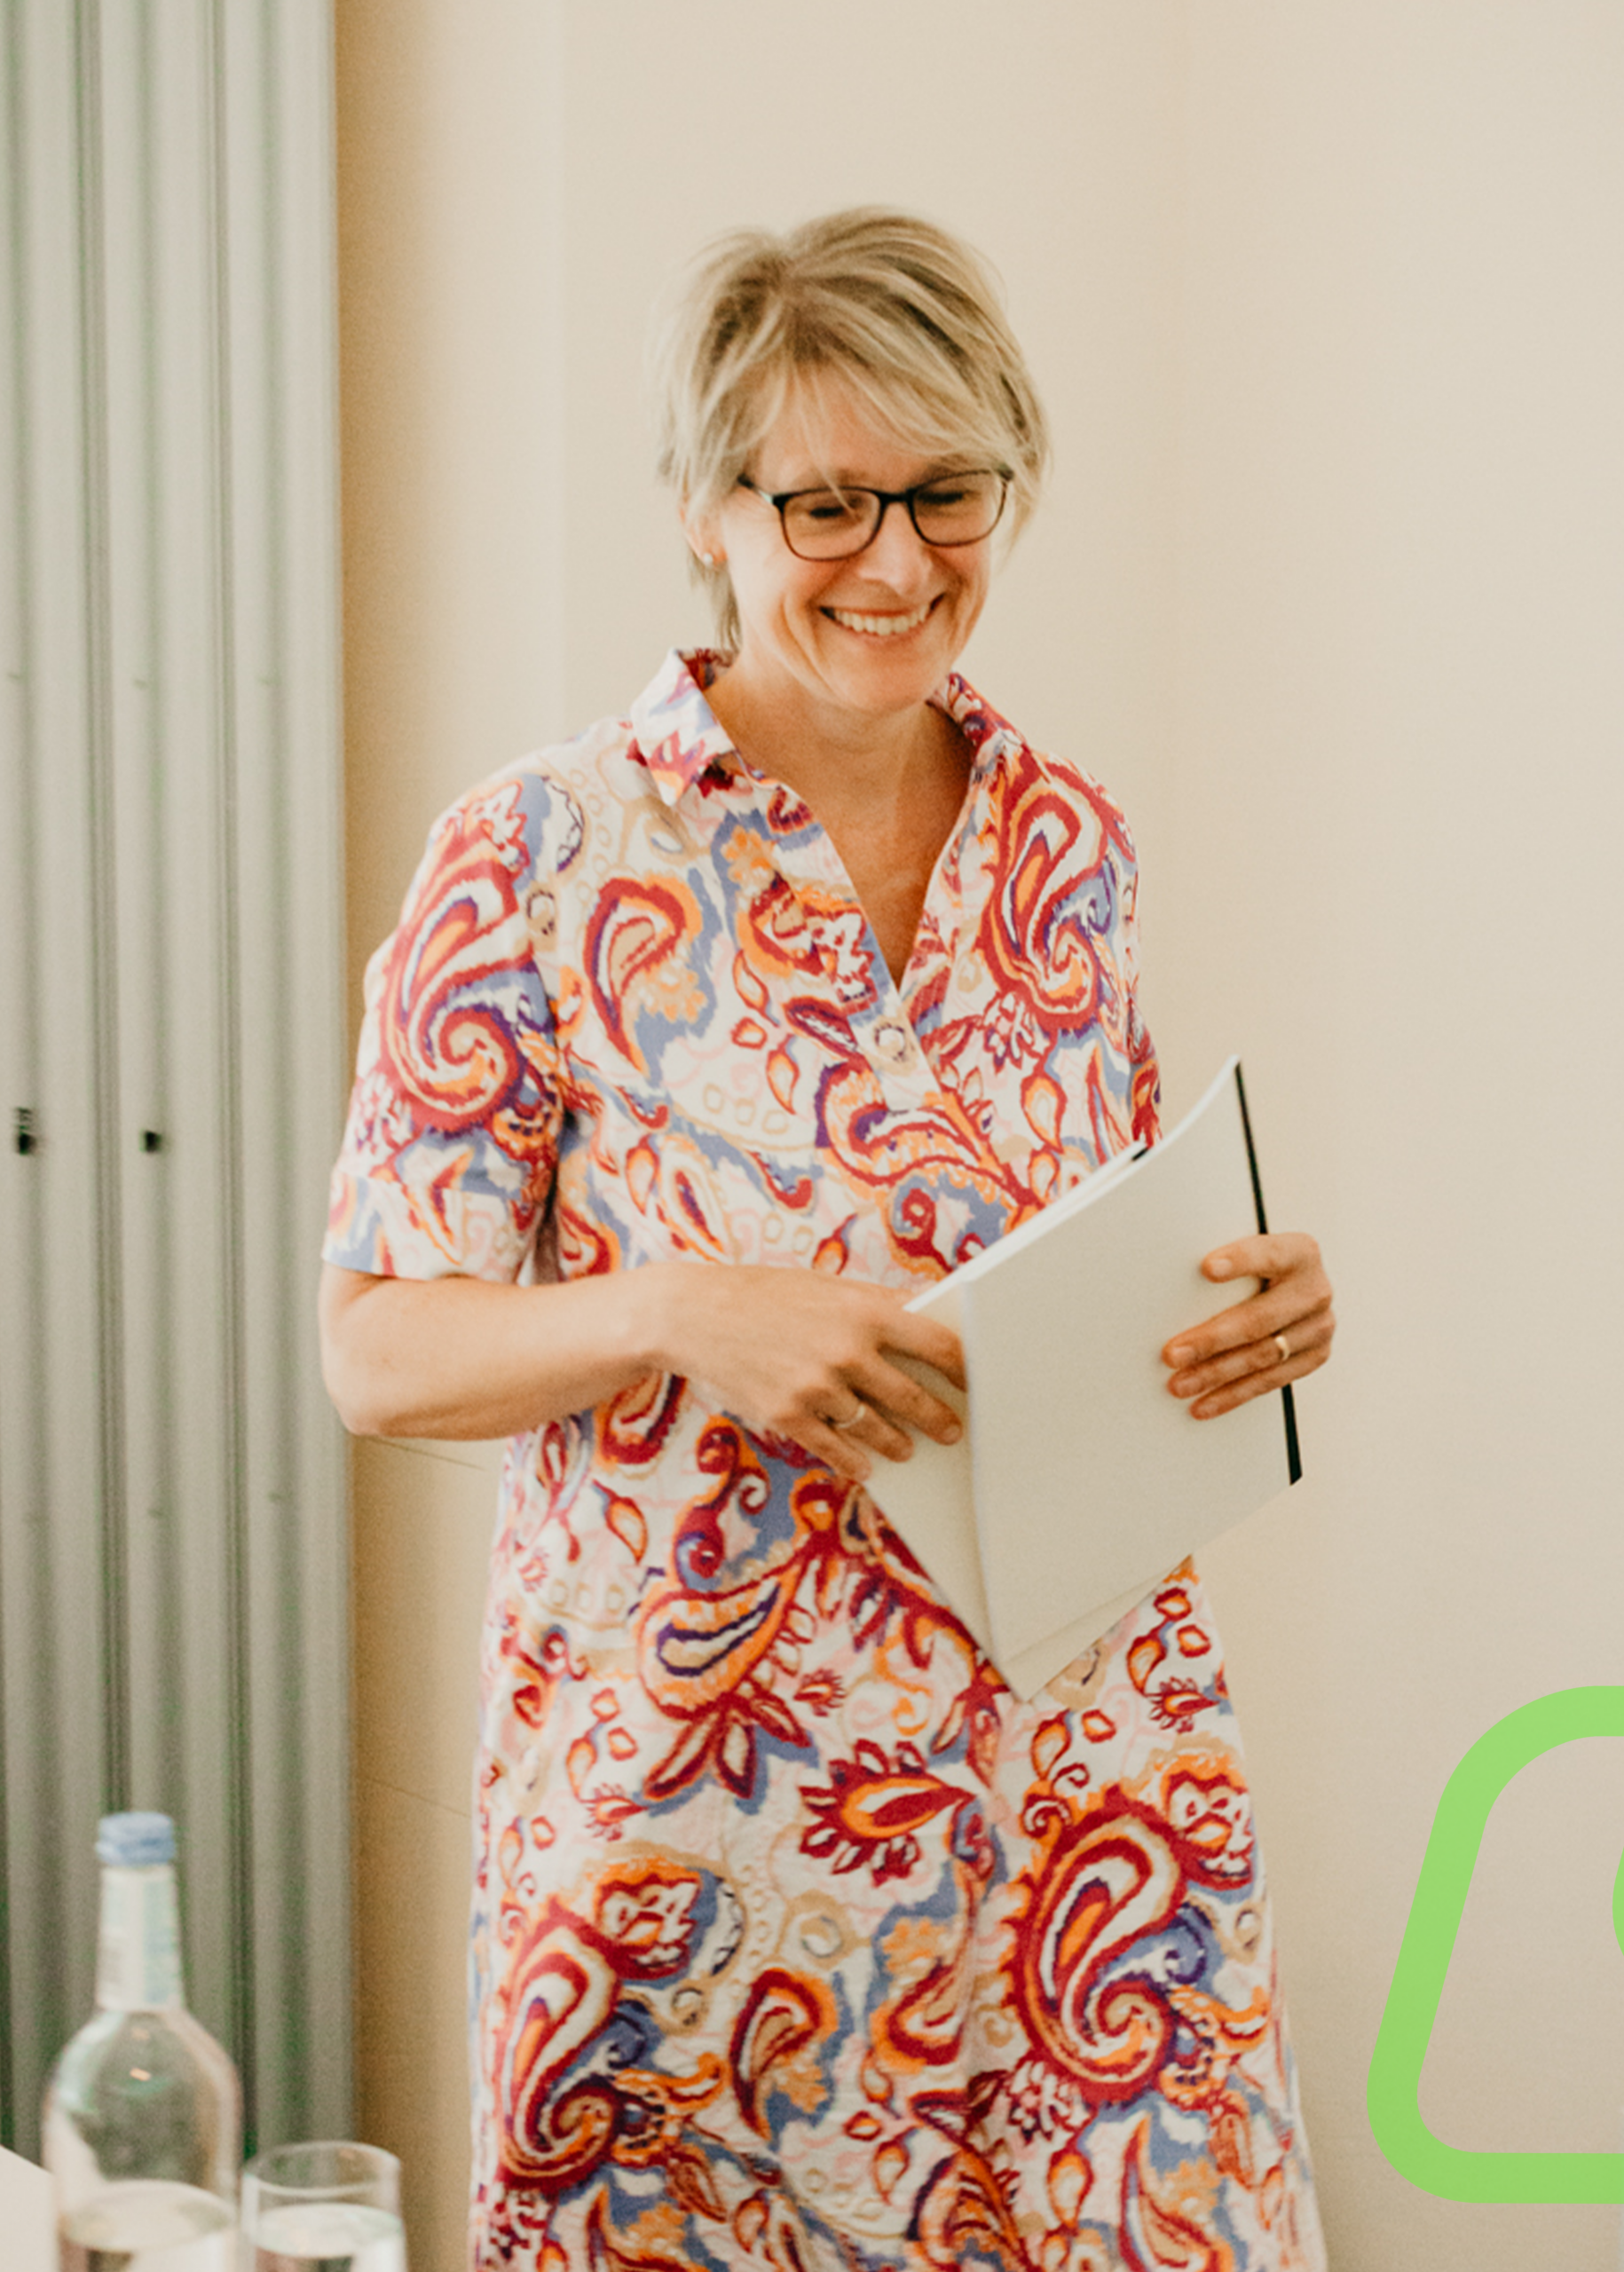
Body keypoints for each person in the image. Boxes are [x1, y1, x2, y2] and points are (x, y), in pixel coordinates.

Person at [319, 208, 1335, 2272]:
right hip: (699, 1842)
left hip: (1082, 1801)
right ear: (710, 509)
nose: (894, 559)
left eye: (947, 490)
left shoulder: (1068, 842)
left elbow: (1095, 1251)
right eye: (824, 502)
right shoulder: (537, 851)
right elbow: (376, 1347)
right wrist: (676, 1308)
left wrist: (1252, 1307)